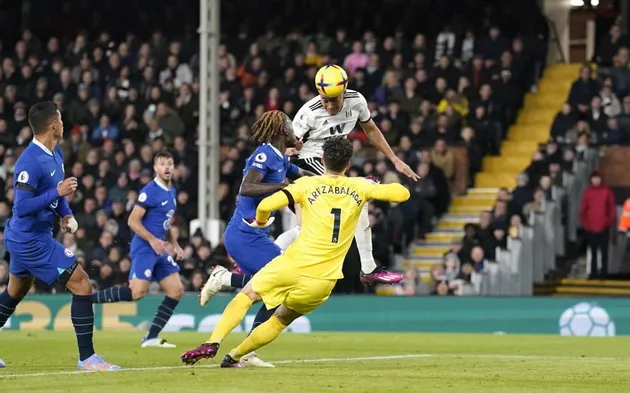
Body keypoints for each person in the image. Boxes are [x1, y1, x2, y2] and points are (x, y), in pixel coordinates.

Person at [180, 137, 410, 367]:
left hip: (292, 265)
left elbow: (264, 206)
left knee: (248, 295)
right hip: (323, 281)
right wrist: (371, 186)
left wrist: (260, 222)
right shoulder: (359, 186)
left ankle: (213, 341)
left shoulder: (306, 185)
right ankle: (235, 356)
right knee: (280, 319)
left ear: (322, 160)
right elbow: (402, 194)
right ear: (348, 164)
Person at [0, 101, 120, 371]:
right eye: (62, 120)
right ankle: (87, 359)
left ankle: (87, 358)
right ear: (53, 124)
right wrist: (58, 193)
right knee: (82, 283)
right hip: (29, 239)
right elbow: (21, 207)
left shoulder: (57, 154)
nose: (64, 124)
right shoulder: (29, 160)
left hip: (31, 236)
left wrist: (65, 215)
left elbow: (58, 195)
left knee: (15, 292)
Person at [278, 64, 418, 286]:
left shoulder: (357, 102)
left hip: (332, 163)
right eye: (325, 99)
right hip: (307, 163)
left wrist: (395, 159)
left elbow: (370, 130)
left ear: (345, 91)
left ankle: (261, 257)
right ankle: (369, 266)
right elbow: (286, 150)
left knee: (305, 229)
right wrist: (292, 148)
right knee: (355, 194)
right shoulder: (308, 113)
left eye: (334, 99)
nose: (330, 105)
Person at [198, 110, 314, 367]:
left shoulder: (280, 158)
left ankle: (226, 280)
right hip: (243, 235)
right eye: (289, 125)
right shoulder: (264, 155)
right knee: (282, 283)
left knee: (274, 286)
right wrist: (284, 186)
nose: (294, 129)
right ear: (281, 131)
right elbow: (247, 187)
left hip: (255, 234)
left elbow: (304, 177)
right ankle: (246, 350)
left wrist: (333, 183)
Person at [89, 151, 185, 348]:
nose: (166, 167)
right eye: (162, 164)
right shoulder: (149, 191)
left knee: (176, 290)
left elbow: (165, 224)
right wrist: (151, 240)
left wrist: (174, 244)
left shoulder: (171, 191)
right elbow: (132, 220)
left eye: (170, 163)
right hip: (144, 247)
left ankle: (150, 337)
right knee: (136, 293)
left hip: (159, 249)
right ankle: (87, 299)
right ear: (155, 168)